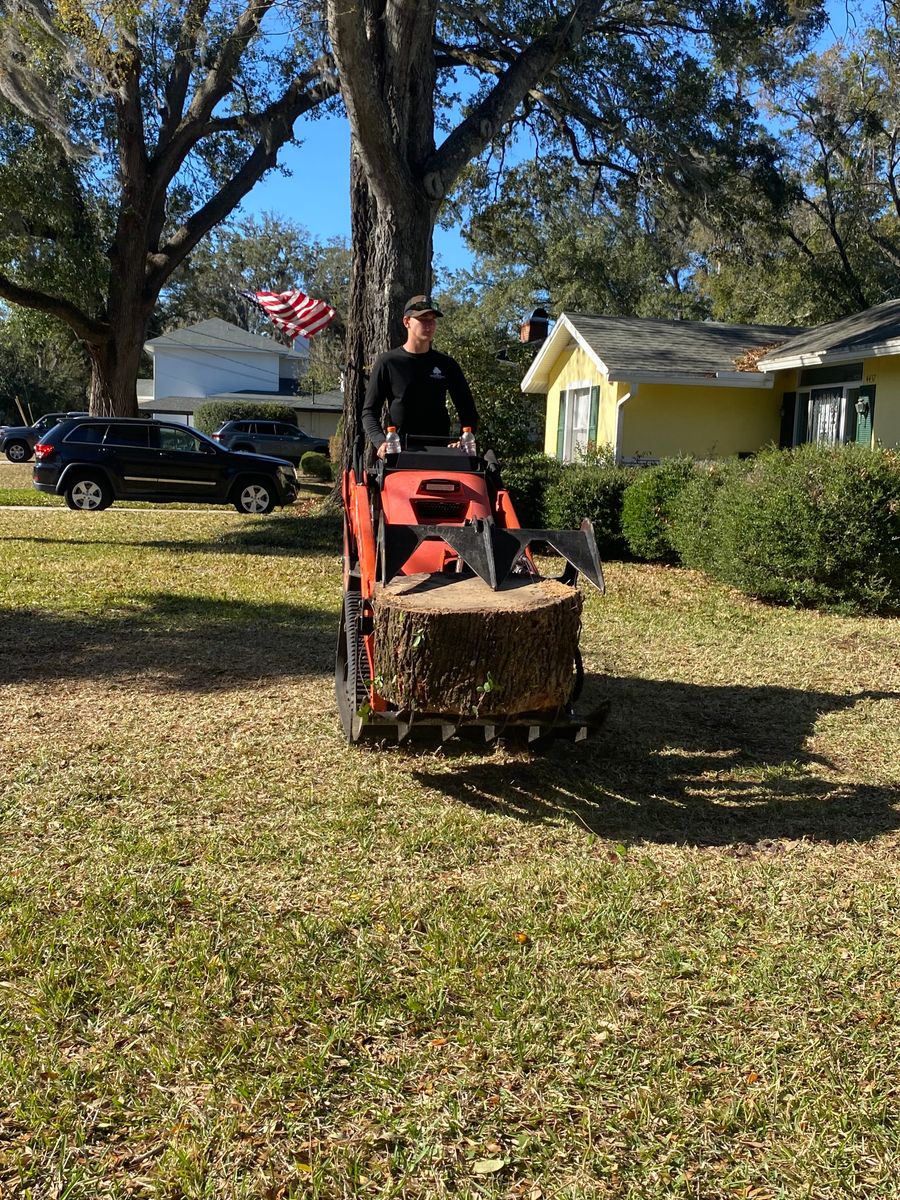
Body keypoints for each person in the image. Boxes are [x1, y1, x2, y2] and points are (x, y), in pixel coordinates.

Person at [362, 294, 479, 457]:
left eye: (432, 319)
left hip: (441, 453)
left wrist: (462, 440)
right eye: (423, 319)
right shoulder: (388, 362)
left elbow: (468, 411)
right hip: (401, 453)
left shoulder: (447, 364)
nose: (429, 325)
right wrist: (381, 443)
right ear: (407, 322)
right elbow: (369, 412)